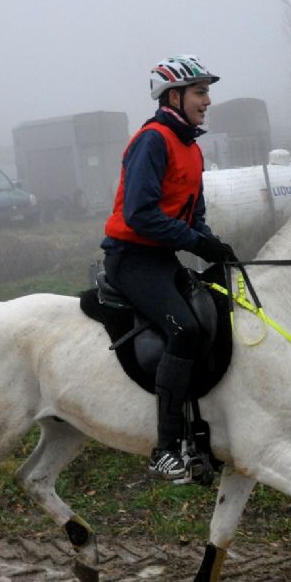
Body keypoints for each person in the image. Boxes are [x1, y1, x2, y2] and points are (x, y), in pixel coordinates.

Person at [101, 54, 237, 481]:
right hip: (131, 260)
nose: (208, 100)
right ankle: (163, 449)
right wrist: (196, 242)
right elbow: (141, 215)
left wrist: (211, 243)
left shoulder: (192, 149)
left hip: (162, 257)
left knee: (215, 314)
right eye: (200, 92)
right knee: (185, 329)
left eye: (207, 92)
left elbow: (191, 215)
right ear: (174, 97)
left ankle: (198, 439)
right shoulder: (153, 140)